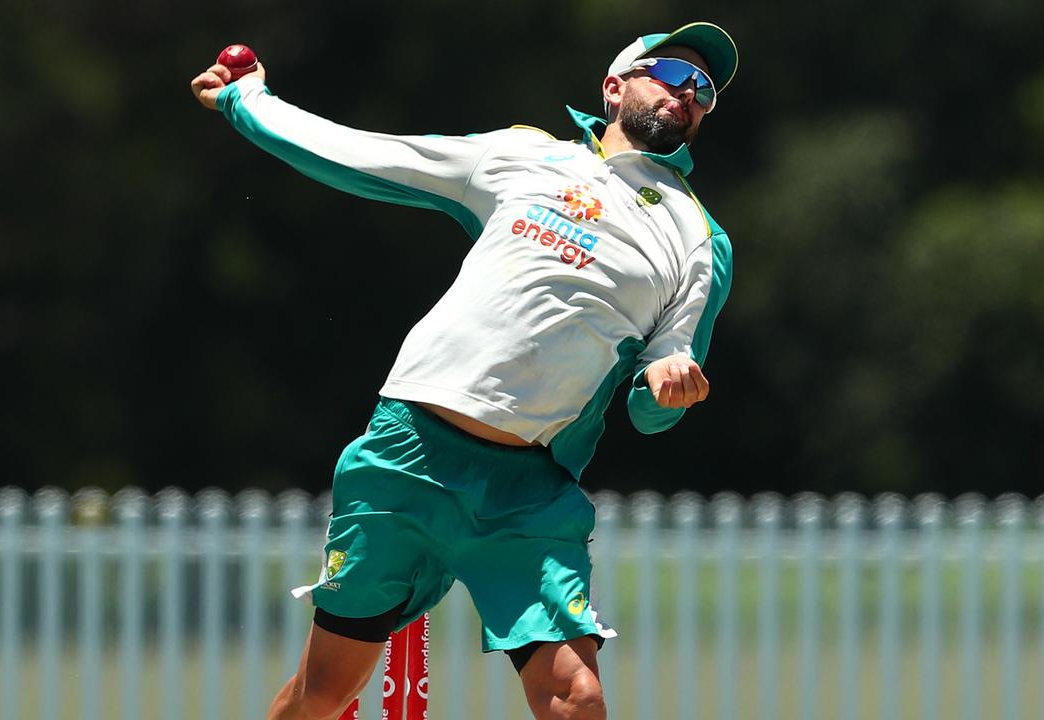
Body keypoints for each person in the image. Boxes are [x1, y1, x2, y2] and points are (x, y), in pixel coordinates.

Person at [190, 21, 737, 720]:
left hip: (526, 491)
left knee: (577, 699)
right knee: (323, 694)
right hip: (407, 452)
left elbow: (656, 394)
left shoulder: (698, 237)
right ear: (614, 85)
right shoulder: (522, 154)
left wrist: (668, 392)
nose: (689, 94)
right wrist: (247, 101)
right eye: (672, 73)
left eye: (705, 91)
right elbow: (368, 156)